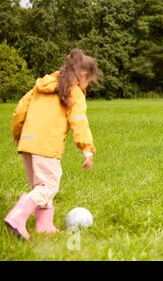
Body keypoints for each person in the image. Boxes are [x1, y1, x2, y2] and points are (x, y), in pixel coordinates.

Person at [4, 48, 98, 240]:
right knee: (48, 186)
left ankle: (44, 225)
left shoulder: (41, 86)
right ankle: (17, 216)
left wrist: (18, 133)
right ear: (84, 75)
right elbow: (79, 120)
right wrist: (87, 149)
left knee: (40, 187)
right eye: (88, 82)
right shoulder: (75, 91)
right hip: (47, 145)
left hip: (28, 143)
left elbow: (20, 109)